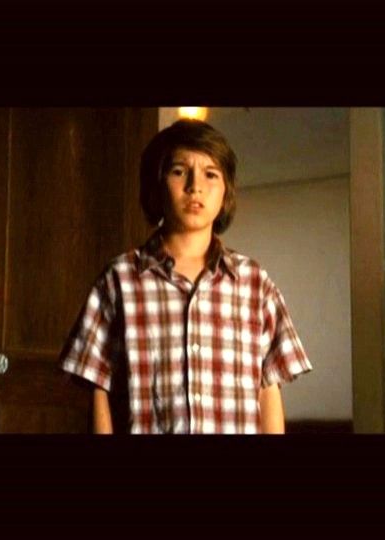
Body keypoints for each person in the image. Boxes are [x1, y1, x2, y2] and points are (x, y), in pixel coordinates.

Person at [60, 119, 312, 434]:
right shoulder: (120, 280)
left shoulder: (254, 283)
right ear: (156, 184)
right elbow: (98, 387)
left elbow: (268, 389)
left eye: (211, 174)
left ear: (226, 191)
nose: (195, 186)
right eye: (179, 171)